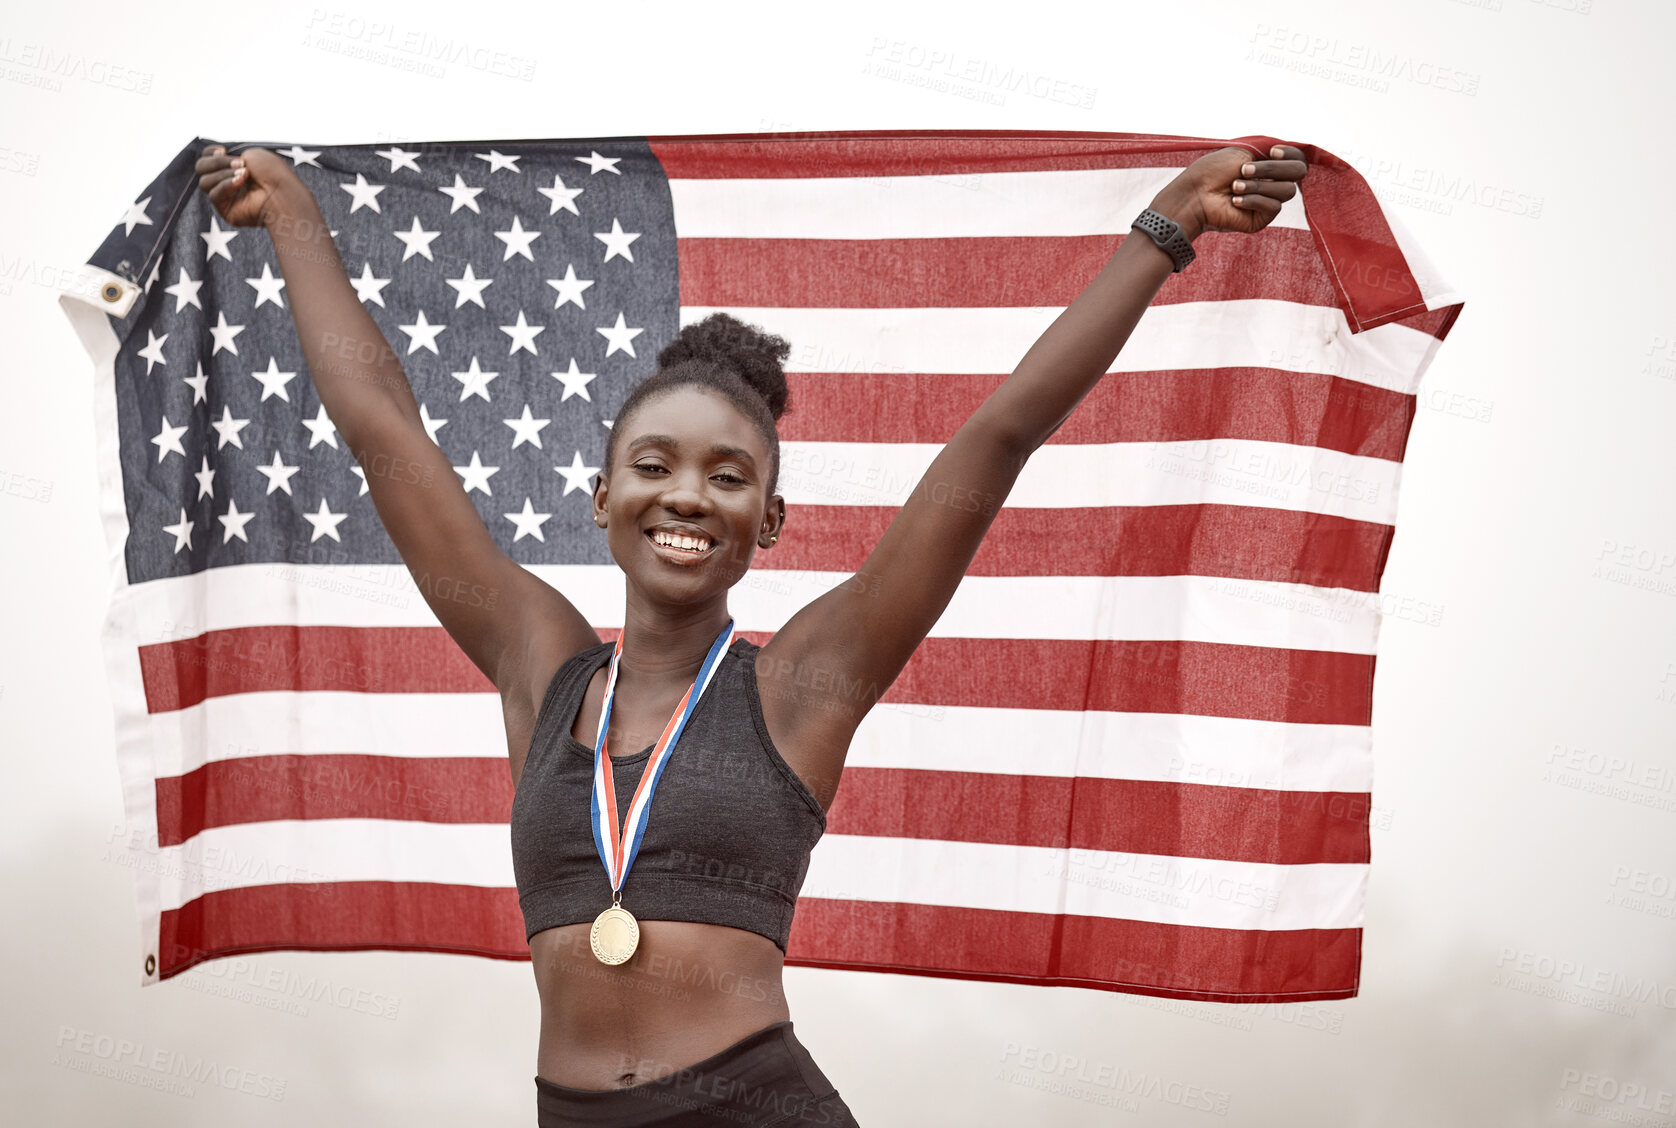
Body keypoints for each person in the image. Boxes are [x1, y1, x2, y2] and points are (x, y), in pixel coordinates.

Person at [195, 138, 1307, 1126]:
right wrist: (292, 217)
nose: (687, 496)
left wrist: (1164, 232)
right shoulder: (537, 667)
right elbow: (379, 424)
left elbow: (995, 439)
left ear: (767, 520)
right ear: (599, 496)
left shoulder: (802, 685)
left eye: (728, 477)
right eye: (654, 465)